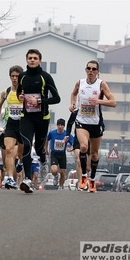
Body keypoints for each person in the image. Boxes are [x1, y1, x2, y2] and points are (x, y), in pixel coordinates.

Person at [17, 49, 61, 193]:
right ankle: (28, 179)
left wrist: (39, 101)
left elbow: (56, 98)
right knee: (27, 145)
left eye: (35, 58)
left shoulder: (45, 77)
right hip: (26, 116)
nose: (32, 60)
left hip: (42, 117)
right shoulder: (22, 76)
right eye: (30, 58)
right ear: (26, 60)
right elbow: (19, 92)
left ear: (40, 61)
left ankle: (43, 160)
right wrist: (21, 98)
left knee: (38, 148)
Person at [69, 60, 116, 193]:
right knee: (83, 146)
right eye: (88, 68)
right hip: (82, 121)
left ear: (98, 71)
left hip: (95, 123)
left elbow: (113, 102)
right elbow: (73, 94)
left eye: (94, 69)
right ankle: (84, 177)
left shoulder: (101, 84)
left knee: (94, 154)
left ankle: (93, 179)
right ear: (86, 70)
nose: (91, 71)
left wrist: (98, 101)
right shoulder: (80, 83)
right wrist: (73, 104)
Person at [0, 65, 24, 190]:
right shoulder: (6, 92)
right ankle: (10, 178)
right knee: (9, 150)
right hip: (11, 123)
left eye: (17, 76)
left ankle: (21, 163)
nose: (14, 78)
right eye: (12, 76)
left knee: (21, 154)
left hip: (23, 123)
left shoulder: (25, 91)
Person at [65, 109, 91, 191]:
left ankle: (88, 177)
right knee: (78, 160)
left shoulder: (93, 112)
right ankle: (81, 182)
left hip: (90, 139)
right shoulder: (75, 113)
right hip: (78, 139)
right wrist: (67, 135)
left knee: (88, 167)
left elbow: (100, 123)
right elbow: (69, 124)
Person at [45, 118, 74, 190]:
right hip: (54, 154)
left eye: (61, 125)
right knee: (54, 170)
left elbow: (73, 143)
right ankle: (55, 176)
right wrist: (46, 149)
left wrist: (71, 148)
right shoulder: (52, 133)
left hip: (62, 154)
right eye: (59, 125)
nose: (60, 127)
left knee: (63, 172)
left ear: (64, 126)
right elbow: (46, 140)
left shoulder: (67, 134)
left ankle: (60, 187)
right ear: (57, 125)